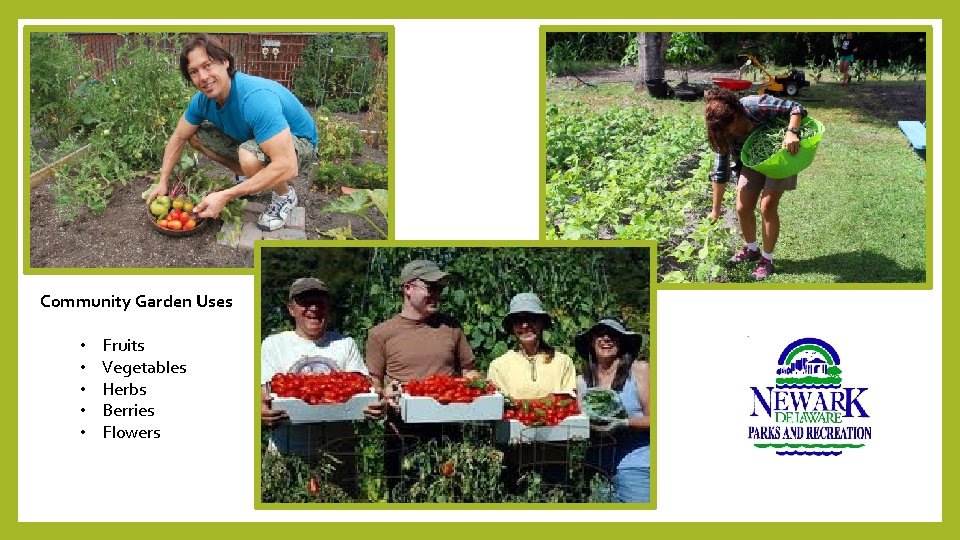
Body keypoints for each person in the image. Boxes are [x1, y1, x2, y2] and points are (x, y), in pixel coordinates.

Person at [147, 33, 318, 232]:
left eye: (207, 65)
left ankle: (285, 195)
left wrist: (227, 195)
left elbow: (288, 166)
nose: (203, 77)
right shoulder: (201, 101)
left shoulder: (255, 98)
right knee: (194, 134)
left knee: (249, 156)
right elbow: (178, 137)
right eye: (194, 72)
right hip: (257, 139)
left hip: (300, 143)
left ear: (225, 62)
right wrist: (163, 181)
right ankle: (246, 175)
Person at [261, 277, 384, 455]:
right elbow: (262, 391)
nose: (314, 308)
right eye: (305, 302)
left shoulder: (344, 343)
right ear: (291, 309)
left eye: (320, 302)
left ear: (328, 308)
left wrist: (375, 404)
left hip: (339, 449)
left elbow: (364, 386)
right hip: (288, 448)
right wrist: (261, 411)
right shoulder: (274, 344)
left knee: (341, 483)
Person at [705, 88, 807, 280]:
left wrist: (792, 132)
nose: (729, 133)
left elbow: (796, 107)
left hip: (780, 156)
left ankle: (767, 260)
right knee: (742, 208)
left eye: (730, 128)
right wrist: (715, 209)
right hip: (753, 159)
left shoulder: (755, 105)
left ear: (736, 114)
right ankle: (752, 250)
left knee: (767, 207)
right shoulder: (721, 131)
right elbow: (720, 170)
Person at [365, 259, 479, 401]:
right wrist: (384, 397)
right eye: (431, 288)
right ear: (408, 288)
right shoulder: (380, 334)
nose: (437, 295)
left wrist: (481, 385)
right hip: (402, 420)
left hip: (448, 418)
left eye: (440, 288)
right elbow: (374, 382)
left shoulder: (451, 327)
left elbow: (468, 371)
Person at [575, 317, 650, 503]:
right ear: (591, 342)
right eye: (599, 334)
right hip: (597, 468)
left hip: (635, 465)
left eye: (613, 335)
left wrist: (625, 423)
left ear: (622, 341)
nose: (606, 338)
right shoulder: (582, 381)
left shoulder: (639, 371)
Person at [487, 292, 576, 399]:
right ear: (512, 327)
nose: (525, 325)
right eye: (518, 321)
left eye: (531, 319)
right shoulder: (498, 366)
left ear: (541, 323)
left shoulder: (563, 362)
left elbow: (568, 401)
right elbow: (498, 405)